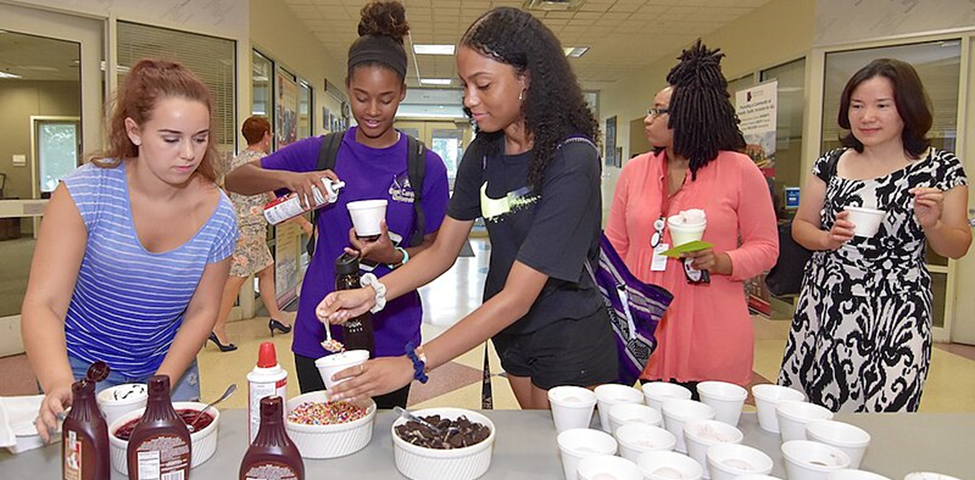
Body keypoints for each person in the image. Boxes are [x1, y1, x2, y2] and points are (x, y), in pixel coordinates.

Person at [317, 7, 618, 410]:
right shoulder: (484, 150)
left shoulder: (573, 160)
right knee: (533, 441)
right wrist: (374, 293)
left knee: (557, 456)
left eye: (483, 85)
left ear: (526, 79)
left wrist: (413, 363)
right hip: (510, 331)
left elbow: (518, 296)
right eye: (465, 85)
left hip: (567, 336)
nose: (469, 100)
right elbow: (443, 250)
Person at [225, 0, 448, 409]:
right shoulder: (323, 150)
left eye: (386, 98)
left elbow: (437, 249)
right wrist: (291, 178)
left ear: (402, 92)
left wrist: (393, 254)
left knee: (379, 446)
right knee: (324, 435)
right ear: (348, 88)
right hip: (319, 327)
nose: (373, 111)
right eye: (362, 97)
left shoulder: (424, 166)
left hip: (391, 334)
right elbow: (235, 178)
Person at [23, 59, 239, 441]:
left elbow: (203, 311)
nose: (189, 154)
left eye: (201, 138)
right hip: (81, 366)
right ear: (134, 131)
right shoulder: (86, 192)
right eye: (171, 139)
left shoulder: (219, 214)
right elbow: (45, 303)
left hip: (168, 365)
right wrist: (59, 382)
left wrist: (160, 385)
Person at [778, 58, 971, 412]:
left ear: (906, 109)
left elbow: (958, 245)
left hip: (898, 307)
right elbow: (802, 226)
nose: (867, 117)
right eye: (857, 106)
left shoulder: (940, 168)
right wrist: (826, 239)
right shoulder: (831, 164)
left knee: (886, 412)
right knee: (810, 411)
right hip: (826, 303)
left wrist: (933, 224)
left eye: (882, 105)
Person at [605, 40, 778, 395]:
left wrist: (722, 260)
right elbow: (615, 247)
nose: (649, 119)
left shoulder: (739, 170)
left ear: (690, 115)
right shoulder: (636, 170)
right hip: (647, 328)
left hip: (712, 331)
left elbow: (767, 247)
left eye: (658, 111)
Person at [210, 116, 309, 353]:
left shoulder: (237, 161)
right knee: (239, 276)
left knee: (266, 270)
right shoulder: (262, 163)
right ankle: (217, 327)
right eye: (270, 134)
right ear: (266, 135)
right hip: (250, 228)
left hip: (238, 224)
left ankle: (275, 316)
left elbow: (227, 191)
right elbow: (275, 200)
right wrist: (303, 222)